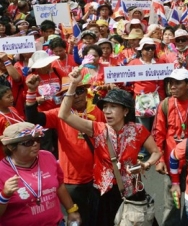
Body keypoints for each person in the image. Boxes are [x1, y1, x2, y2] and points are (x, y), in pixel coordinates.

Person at [58, 68, 161, 226]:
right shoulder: (97, 129)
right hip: (102, 193)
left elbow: (156, 152)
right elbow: (63, 115)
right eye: (105, 107)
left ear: (125, 110)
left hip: (132, 191)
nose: (107, 111)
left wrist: (146, 164)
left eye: (113, 107)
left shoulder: (138, 130)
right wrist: (73, 84)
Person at [25, 75, 105, 226]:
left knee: (97, 217)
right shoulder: (59, 114)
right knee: (78, 220)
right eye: (72, 92)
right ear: (64, 97)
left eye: (80, 90)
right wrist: (31, 91)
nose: (77, 95)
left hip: (97, 177)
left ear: (86, 92)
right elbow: (33, 118)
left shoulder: (97, 112)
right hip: (72, 180)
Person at [154, 68, 188, 226]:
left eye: (177, 83)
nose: (172, 86)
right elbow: (159, 133)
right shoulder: (165, 104)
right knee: (172, 205)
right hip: (173, 164)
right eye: (171, 83)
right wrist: (159, 160)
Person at [0, 122, 81, 225]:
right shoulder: (1, 171)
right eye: (28, 142)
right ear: (11, 147)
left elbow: (60, 186)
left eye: (37, 139)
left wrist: (71, 210)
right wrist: (4, 195)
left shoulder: (48, 157)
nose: (35, 144)